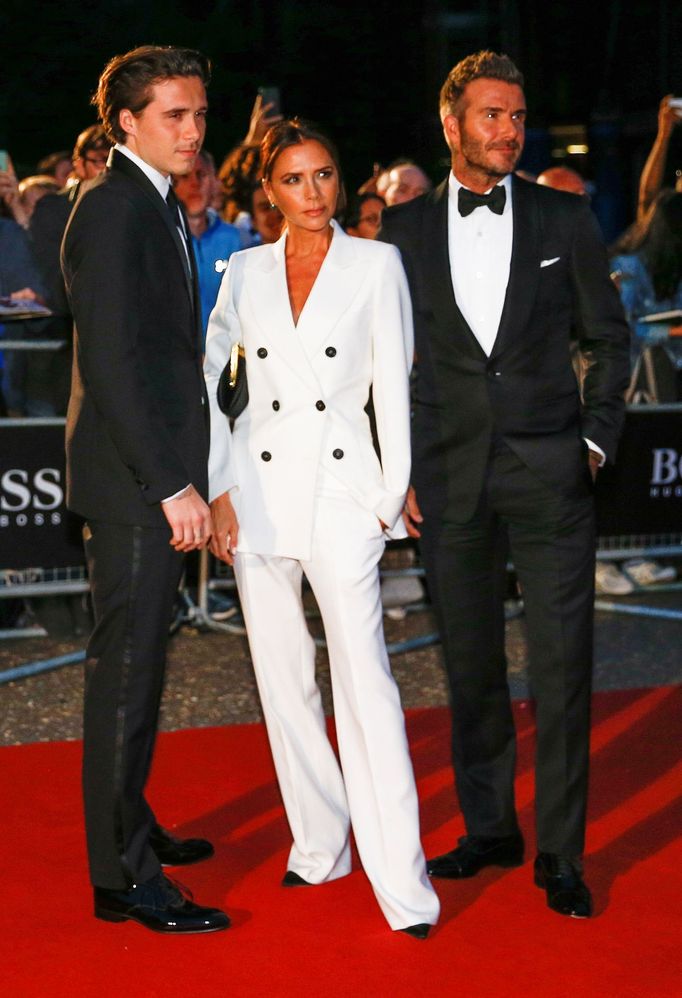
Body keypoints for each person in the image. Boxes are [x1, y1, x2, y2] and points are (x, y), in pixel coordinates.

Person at [380, 50, 630, 918]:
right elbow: (391, 366)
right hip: (449, 479)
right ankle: (490, 826)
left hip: (550, 475)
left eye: (519, 117)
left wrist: (594, 442)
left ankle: (561, 851)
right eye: (493, 115)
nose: (510, 131)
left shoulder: (566, 219)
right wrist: (397, 466)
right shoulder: (402, 231)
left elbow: (611, 338)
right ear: (451, 125)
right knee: (472, 666)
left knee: (563, 671)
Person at [204, 119, 440, 938]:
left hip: (342, 493)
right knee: (283, 680)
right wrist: (222, 484)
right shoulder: (244, 272)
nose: (314, 194)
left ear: (340, 182)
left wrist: (388, 492)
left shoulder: (378, 264)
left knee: (365, 683)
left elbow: (393, 383)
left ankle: (402, 882)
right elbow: (216, 383)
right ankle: (319, 844)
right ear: (268, 192)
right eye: (296, 180)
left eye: (325, 176)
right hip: (259, 492)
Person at [61, 44, 229, 934]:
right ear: (126, 121)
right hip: (134, 488)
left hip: (147, 478)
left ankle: (134, 820)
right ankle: (120, 879)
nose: (195, 132)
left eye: (200, 114)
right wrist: (172, 485)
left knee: (142, 670)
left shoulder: (154, 201)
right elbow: (115, 364)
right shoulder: (115, 208)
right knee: (124, 679)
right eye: (175, 115)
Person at [173, 148, 241, 346]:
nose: (194, 184)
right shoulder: (160, 239)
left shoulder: (235, 240)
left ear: (213, 181)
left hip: (225, 362)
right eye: (184, 177)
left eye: (201, 175)